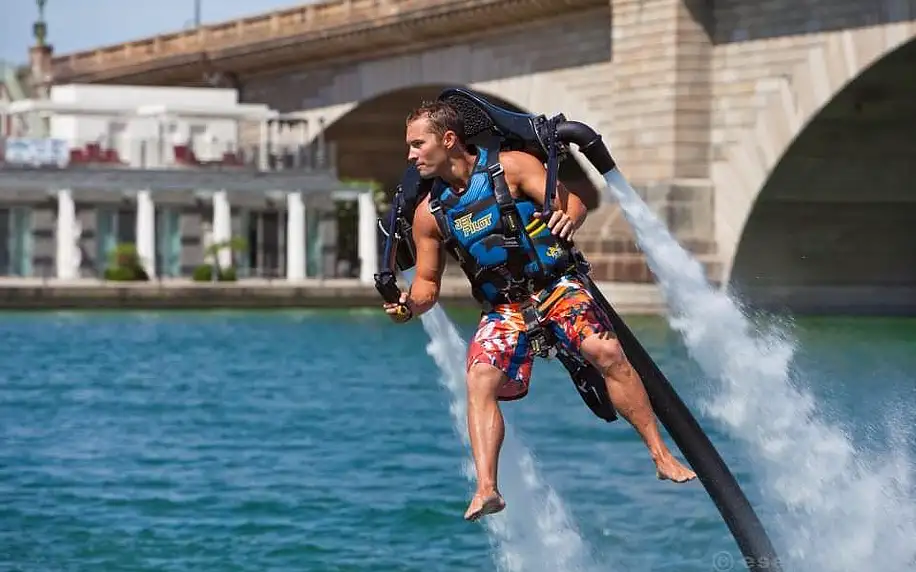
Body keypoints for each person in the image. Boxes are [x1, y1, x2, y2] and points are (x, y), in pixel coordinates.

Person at [383, 100, 696, 522]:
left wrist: (568, 220)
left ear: (448, 140)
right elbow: (427, 285)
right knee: (479, 379)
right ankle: (487, 488)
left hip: (554, 287)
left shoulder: (511, 167)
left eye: (418, 144)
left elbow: (574, 204)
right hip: (505, 307)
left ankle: (661, 456)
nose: (410, 155)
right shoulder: (429, 214)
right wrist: (407, 305)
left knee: (605, 353)